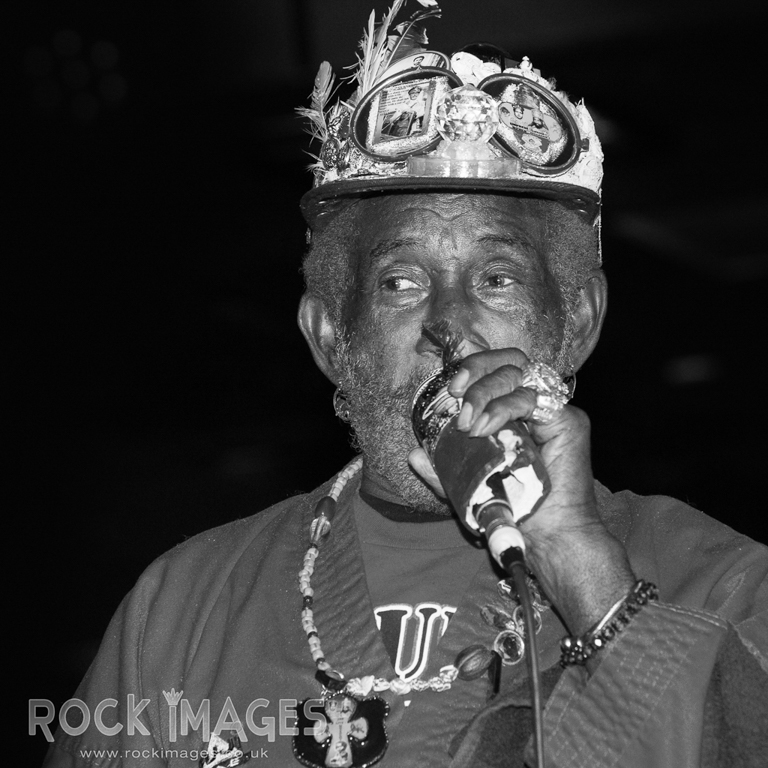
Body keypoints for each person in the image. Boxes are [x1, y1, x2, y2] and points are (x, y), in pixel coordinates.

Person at [42, 3, 767, 767]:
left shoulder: (716, 581)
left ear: (578, 322)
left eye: (496, 278)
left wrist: (587, 575)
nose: (447, 325)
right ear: (330, 338)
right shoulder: (185, 607)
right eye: (400, 282)